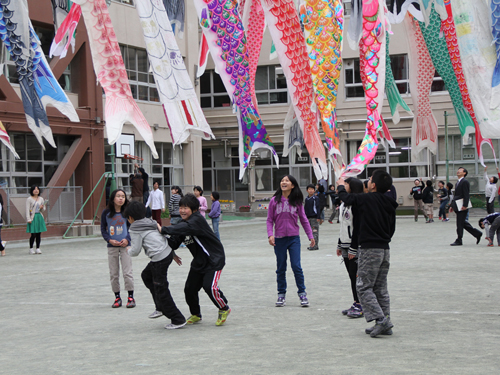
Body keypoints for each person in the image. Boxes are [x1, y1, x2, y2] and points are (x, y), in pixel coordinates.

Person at [337, 170, 398, 338]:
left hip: (369, 249)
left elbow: (347, 199)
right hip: (384, 249)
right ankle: (385, 320)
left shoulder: (366, 199)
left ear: (373, 185)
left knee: (363, 286)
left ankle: (381, 320)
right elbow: (392, 228)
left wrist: (341, 186)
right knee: (380, 288)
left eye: (370, 179)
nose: (367, 181)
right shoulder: (389, 202)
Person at [160, 194, 231, 326]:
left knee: (209, 286)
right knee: (189, 289)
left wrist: (163, 229)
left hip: (214, 259)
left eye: (185, 208)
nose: (182, 210)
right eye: (180, 207)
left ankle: (224, 308)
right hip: (199, 261)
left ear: (194, 209)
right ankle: (196, 314)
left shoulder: (197, 220)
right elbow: (174, 242)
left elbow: (183, 228)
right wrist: (159, 239)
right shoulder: (183, 224)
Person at [125, 201, 186, 329]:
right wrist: (173, 254)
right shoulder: (150, 222)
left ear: (130, 218)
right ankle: (160, 307)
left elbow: (135, 251)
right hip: (166, 253)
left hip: (160, 258)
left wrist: (128, 250)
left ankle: (177, 319)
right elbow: (161, 236)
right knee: (146, 275)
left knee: (161, 288)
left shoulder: (135, 228)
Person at [266, 175, 315, 307]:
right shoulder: (274, 201)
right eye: (282, 180)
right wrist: (270, 234)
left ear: (292, 185)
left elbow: (304, 219)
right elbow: (270, 220)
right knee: (281, 267)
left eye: (287, 181)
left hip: (294, 239)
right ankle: (281, 294)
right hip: (279, 240)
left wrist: (310, 236)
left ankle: (302, 294)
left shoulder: (297, 202)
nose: (284, 182)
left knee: (296, 266)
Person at [100, 189, 135, 308]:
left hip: (126, 247)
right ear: (113, 198)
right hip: (112, 247)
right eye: (118, 196)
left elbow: (133, 228)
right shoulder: (106, 213)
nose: (121, 198)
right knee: (114, 274)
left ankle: (131, 297)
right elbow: (103, 230)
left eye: (123, 196)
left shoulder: (128, 212)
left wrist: (127, 239)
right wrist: (110, 240)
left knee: (127, 272)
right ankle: (117, 297)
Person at [336, 177, 364, 319]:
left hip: (355, 246)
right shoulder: (344, 204)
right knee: (351, 276)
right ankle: (356, 302)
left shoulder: (357, 203)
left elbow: (357, 228)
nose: (343, 186)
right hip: (345, 244)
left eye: (345, 184)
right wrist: (339, 244)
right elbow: (343, 225)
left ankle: (361, 304)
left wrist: (353, 248)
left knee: (356, 276)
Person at [450, 167, 482, 246]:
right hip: (457, 205)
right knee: (462, 223)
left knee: (460, 223)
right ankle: (477, 233)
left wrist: (465, 205)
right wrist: (452, 205)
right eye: (458, 170)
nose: (458, 171)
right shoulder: (458, 182)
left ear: (464, 173)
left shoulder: (465, 182)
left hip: (462, 206)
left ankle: (459, 239)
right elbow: (456, 195)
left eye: (460, 170)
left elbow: (466, 194)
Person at [26, 185, 47, 255]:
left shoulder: (41, 198)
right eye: (34, 189)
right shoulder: (29, 199)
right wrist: (28, 219)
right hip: (33, 217)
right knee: (33, 234)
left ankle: (38, 248)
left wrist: (42, 207)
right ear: (32, 190)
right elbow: (27, 209)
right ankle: (31, 248)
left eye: (37, 189)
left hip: (39, 217)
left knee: (39, 234)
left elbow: (43, 210)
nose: (36, 190)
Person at [304, 184, 320, 251]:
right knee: (310, 231)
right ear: (307, 190)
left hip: (314, 217)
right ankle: (312, 243)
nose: (311, 191)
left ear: (314, 190)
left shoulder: (315, 198)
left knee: (314, 231)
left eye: (312, 189)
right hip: (308, 217)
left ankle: (315, 245)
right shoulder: (306, 199)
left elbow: (318, 207)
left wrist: (318, 217)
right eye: (309, 189)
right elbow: (305, 208)